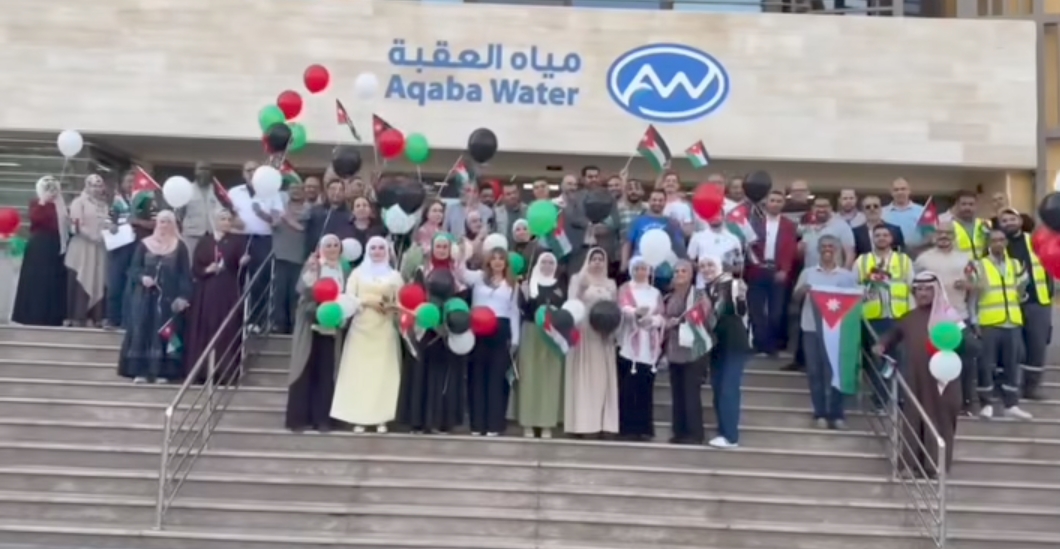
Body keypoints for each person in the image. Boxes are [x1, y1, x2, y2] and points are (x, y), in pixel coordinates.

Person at [872, 272, 961, 477]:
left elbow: (970, 345)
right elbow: (893, 334)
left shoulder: (950, 316)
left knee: (940, 420)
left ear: (936, 291)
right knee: (913, 418)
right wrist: (882, 344)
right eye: (919, 289)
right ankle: (909, 466)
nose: (923, 294)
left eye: (928, 289)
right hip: (915, 378)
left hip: (942, 381)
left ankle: (936, 466)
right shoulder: (909, 317)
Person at [332, 236, 404, 433]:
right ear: (367, 250)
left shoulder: (395, 276)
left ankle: (382, 418)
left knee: (383, 374)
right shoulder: (357, 273)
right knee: (360, 373)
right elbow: (349, 298)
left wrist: (391, 307)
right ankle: (359, 418)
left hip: (385, 328)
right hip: (360, 329)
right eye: (373, 248)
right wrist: (367, 302)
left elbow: (401, 301)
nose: (377, 251)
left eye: (381, 248)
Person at [396, 233, 467, 434]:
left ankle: (438, 421)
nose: (442, 250)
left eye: (445, 247)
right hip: (423, 328)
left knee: (441, 375)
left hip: (445, 330)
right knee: (420, 374)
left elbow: (462, 299)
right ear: (432, 249)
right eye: (439, 246)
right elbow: (413, 297)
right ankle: (417, 421)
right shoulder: (422, 271)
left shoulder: (457, 273)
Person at [117, 211, 192, 384]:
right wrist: (142, 278)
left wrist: (183, 296)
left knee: (167, 332)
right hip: (144, 298)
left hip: (168, 299)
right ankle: (140, 371)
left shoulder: (180, 246)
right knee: (142, 330)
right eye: (161, 222)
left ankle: (164, 371)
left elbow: (185, 274)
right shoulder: (144, 244)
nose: (164, 225)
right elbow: (133, 269)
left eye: (168, 222)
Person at [914, 220, 979, 415]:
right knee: (931, 362)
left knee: (963, 361)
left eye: (948, 233)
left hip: (958, 315)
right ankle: (932, 403)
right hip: (931, 318)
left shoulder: (965, 258)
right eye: (940, 232)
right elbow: (913, 286)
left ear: (954, 236)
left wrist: (968, 286)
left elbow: (977, 286)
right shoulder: (923, 259)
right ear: (934, 235)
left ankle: (965, 402)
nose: (944, 236)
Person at [285, 235, 349, 432]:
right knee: (305, 368)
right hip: (311, 323)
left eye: (336, 245)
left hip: (333, 325)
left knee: (327, 371)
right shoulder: (314, 265)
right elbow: (301, 289)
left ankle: (323, 419)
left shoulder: (344, 269)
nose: (332, 248)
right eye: (328, 245)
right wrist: (311, 272)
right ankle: (300, 418)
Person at [794, 235, 859, 429]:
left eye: (831, 246)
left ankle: (837, 414)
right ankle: (820, 413)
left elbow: (854, 302)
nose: (827, 249)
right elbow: (795, 298)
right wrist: (803, 291)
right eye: (823, 246)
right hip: (811, 327)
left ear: (837, 250)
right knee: (815, 371)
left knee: (836, 371)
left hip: (838, 331)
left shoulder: (847, 276)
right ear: (818, 250)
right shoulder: (807, 273)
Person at [183, 209, 249, 383]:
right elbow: (196, 267)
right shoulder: (205, 241)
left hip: (227, 290)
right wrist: (207, 269)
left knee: (227, 328)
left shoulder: (237, 241)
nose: (226, 222)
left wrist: (243, 262)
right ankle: (202, 372)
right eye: (222, 219)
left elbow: (241, 266)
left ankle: (225, 372)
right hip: (206, 291)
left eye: (228, 219)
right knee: (205, 328)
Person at [460, 247, 520, 436]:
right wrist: (464, 250)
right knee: (477, 376)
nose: (497, 262)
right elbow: (460, 273)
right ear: (488, 262)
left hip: (501, 330)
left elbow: (514, 311)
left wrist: (515, 338)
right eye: (494, 258)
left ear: (506, 263)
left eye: (501, 258)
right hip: (479, 329)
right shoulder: (479, 278)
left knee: (496, 378)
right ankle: (477, 424)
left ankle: (494, 424)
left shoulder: (512, 283)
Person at [974, 228, 1033, 420]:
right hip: (989, 321)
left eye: (1001, 240)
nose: (998, 243)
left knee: (1012, 364)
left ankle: (1011, 404)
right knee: (986, 364)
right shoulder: (979, 265)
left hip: (1012, 321)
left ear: (1006, 243)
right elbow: (972, 297)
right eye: (994, 240)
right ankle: (986, 404)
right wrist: (974, 321)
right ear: (988, 244)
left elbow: (1022, 289)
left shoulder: (1015, 264)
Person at [998, 208, 1053, 401]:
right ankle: (1006, 387)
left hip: (1038, 301)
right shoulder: (997, 244)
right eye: (1004, 220)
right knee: (1010, 348)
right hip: (1009, 304)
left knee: (1037, 346)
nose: (1009, 223)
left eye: (1012, 219)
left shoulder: (1036, 241)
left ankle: (1031, 388)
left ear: (1020, 221)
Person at [856, 224, 913, 406]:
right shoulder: (862, 261)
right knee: (879, 358)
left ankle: (899, 398)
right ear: (872, 238)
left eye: (885, 235)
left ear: (891, 238)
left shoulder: (903, 260)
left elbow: (912, 288)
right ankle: (880, 399)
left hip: (899, 316)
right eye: (877, 235)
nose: (881, 238)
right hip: (874, 317)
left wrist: (912, 316)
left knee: (899, 358)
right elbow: (854, 289)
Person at [565, 247, 619, 437]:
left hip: (603, 334)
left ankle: (603, 423)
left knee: (602, 380)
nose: (597, 262)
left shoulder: (611, 284)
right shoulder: (578, 279)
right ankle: (582, 424)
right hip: (584, 332)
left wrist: (611, 330)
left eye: (600, 259)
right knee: (584, 378)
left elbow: (615, 308)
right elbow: (571, 303)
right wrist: (581, 288)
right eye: (594, 259)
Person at [515, 252, 565, 438]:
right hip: (531, 332)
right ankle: (528, 423)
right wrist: (524, 296)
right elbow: (522, 310)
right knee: (529, 378)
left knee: (549, 379)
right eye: (544, 262)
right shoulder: (529, 284)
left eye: (551, 262)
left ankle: (546, 423)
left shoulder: (560, 286)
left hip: (553, 334)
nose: (547, 265)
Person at [228, 169, 284, 331]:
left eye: (255, 170)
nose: (251, 173)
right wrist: (234, 221)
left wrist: (261, 214)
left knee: (260, 279)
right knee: (234, 277)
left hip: (263, 238)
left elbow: (276, 221)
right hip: (238, 237)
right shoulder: (234, 192)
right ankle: (235, 320)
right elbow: (225, 215)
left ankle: (256, 321)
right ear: (243, 173)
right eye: (248, 170)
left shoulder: (272, 192)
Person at [616, 256, 665, 441]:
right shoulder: (625, 289)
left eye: (644, 268)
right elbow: (622, 308)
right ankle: (627, 429)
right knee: (628, 388)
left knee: (645, 388)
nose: (640, 272)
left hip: (649, 346)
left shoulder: (655, 292)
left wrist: (652, 321)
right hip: (629, 343)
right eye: (637, 268)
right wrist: (635, 313)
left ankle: (644, 429)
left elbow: (661, 315)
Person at [704, 254, 750, 448]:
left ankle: (730, 436)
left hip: (734, 343)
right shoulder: (709, 288)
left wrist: (741, 296)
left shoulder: (732, 284)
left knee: (728, 388)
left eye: (710, 265)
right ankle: (723, 430)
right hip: (718, 344)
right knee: (718, 387)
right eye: (703, 266)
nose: (706, 269)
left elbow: (741, 309)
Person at [664, 259, 711, 445]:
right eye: (677, 271)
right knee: (677, 393)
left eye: (684, 271)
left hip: (694, 352)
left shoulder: (699, 295)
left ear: (691, 275)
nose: (679, 274)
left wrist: (682, 321)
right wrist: (667, 322)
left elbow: (704, 316)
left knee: (691, 393)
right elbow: (664, 315)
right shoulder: (670, 295)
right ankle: (679, 431)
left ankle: (694, 433)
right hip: (675, 349)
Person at [12, 176, 69, 326]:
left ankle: (52, 316)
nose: (52, 192)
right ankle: (32, 315)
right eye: (48, 189)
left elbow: (64, 225)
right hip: (39, 245)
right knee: (36, 280)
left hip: (55, 245)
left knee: (52, 281)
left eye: (54, 189)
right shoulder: (36, 203)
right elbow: (35, 219)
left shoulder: (60, 205)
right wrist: (43, 201)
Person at [746, 190, 797, 355]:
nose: (775, 204)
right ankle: (759, 344)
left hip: (778, 270)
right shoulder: (754, 223)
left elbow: (790, 250)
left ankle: (772, 345)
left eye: (778, 201)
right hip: (757, 270)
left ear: (783, 204)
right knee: (756, 311)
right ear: (766, 203)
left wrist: (785, 270)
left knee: (776, 312)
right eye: (772, 200)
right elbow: (749, 246)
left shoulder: (789, 225)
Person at [104, 171, 157, 329]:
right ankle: (113, 319)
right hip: (119, 247)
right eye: (128, 181)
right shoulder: (117, 201)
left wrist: (137, 221)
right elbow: (108, 221)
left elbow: (155, 223)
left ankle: (130, 321)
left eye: (134, 181)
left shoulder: (147, 200)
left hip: (139, 247)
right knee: (115, 282)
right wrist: (111, 225)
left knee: (134, 283)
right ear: (122, 184)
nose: (131, 184)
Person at [64, 174, 109, 327]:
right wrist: (91, 236)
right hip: (82, 247)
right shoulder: (79, 202)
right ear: (87, 186)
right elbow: (75, 225)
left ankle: (95, 317)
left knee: (98, 279)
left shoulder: (103, 205)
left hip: (99, 248)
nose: (96, 189)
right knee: (82, 276)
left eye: (99, 185)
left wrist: (108, 232)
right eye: (93, 185)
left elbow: (107, 223)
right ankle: (77, 316)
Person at [271, 180, 308, 334]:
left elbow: (303, 228)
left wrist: (287, 219)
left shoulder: (308, 209)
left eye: (298, 188)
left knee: (295, 293)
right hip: (281, 255)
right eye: (292, 188)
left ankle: (294, 325)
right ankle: (279, 325)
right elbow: (273, 224)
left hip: (299, 257)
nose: (295, 191)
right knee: (280, 292)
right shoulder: (280, 207)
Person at [302, 180, 355, 258]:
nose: (336, 192)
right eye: (333, 189)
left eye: (340, 190)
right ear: (326, 191)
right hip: (312, 256)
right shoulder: (315, 211)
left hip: (336, 257)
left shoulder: (349, 216)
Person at [881, 177, 928, 255]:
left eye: (903, 189)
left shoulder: (922, 211)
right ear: (891, 192)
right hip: (889, 255)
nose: (900, 192)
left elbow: (929, 235)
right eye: (896, 190)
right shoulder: (882, 212)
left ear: (909, 191)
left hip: (917, 254)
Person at [946, 190, 988, 260]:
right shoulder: (949, 226)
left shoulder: (984, 224)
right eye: (964, 204)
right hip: (959, 265)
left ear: (976, 206)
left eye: (971, 204)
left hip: (981, 265)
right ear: (957, 205)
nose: (967, 208)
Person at [349, 196, 386, 268]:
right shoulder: (346, 228)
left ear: (370, 210)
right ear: (353, 211)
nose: (361, 208)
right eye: (358, 206)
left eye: (365, 205)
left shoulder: (379, 228)